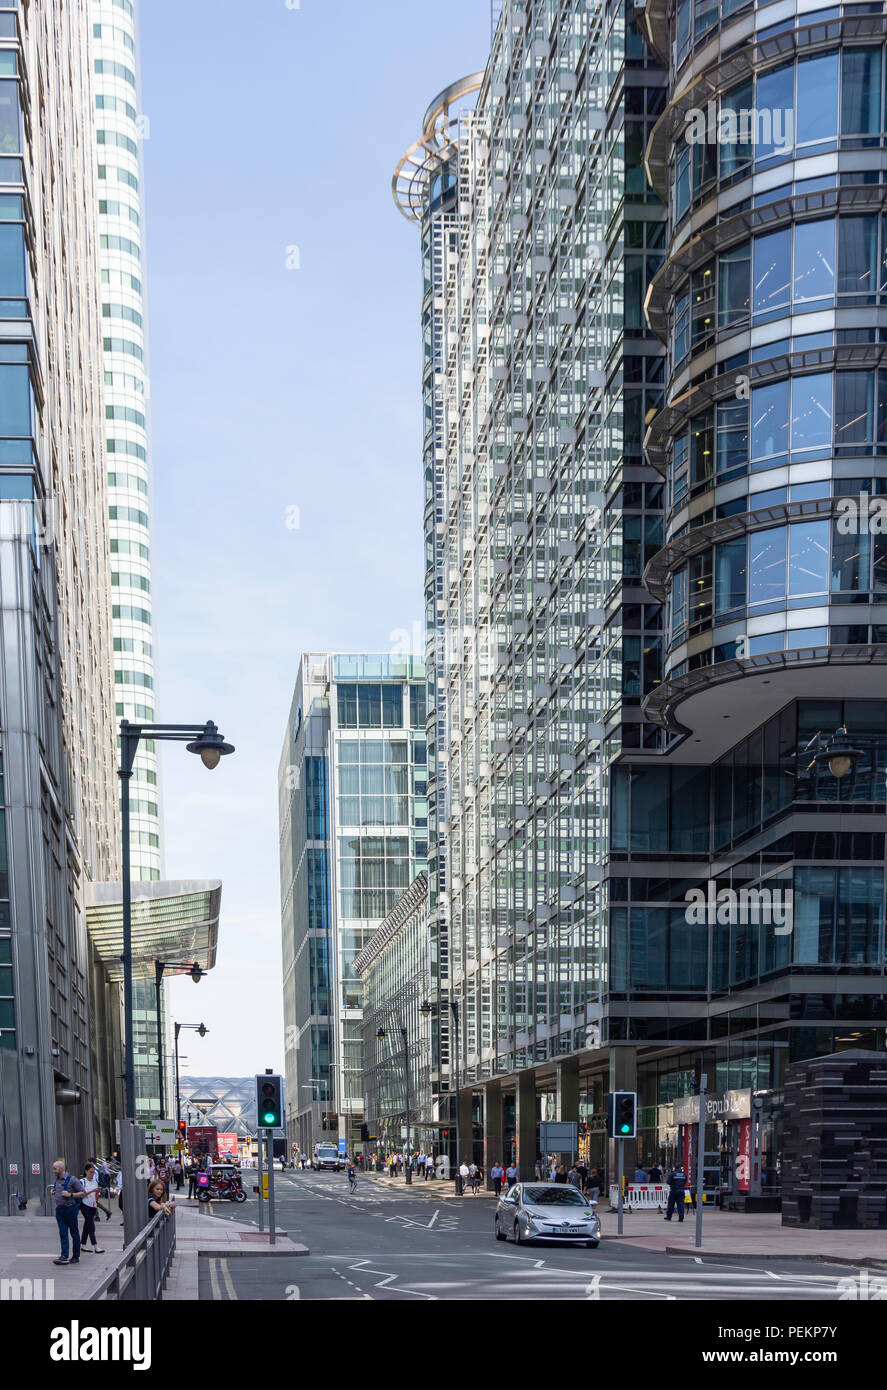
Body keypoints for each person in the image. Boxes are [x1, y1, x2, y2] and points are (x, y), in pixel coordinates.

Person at [52, 1159, 85, 1265]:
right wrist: (53, 1192)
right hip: (60, 1210)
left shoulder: (72, 1179)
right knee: (62, 1232)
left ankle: (76, 1256)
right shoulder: (57, 1180)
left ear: (61, 1169)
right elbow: (58, 1191)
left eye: (55, 1169)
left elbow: (83, 1193)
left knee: (74, 1232)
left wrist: (70, 1195)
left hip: (70, 1209)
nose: (53, 1171)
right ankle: (64, 1255)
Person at [79, 1161, 105, 1255]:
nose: (92, 1174)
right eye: (91, 1172)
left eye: (93, 1172)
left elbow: (95, 1194)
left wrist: (97, 1191)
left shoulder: (95, 1181)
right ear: (86, 1171)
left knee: (87, 1225)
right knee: (91, 1225)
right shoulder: (82, 1181)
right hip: (84, 1204)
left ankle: (83, 1244)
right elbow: (82, 1194)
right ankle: (95, 1246)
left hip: (93, 1205)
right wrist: (93, 1190)